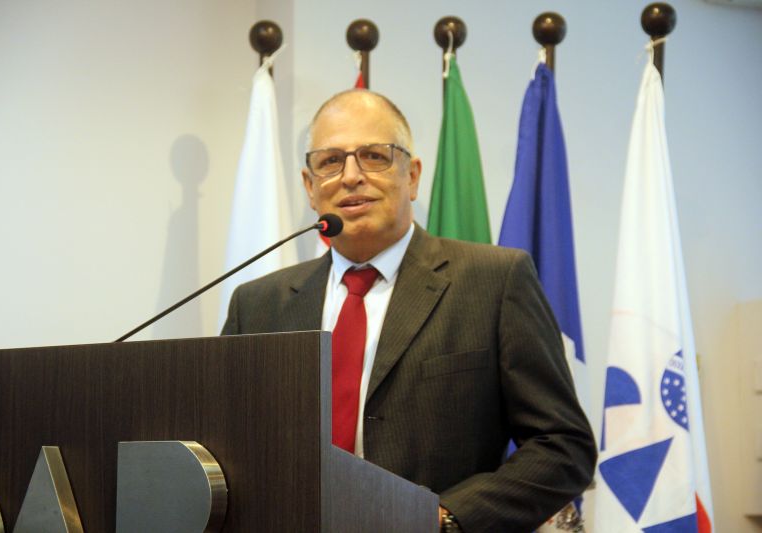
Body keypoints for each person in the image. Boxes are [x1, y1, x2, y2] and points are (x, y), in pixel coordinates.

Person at [222, 89, 596, 532]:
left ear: (413, 176)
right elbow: (229, 446)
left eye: (374, 156)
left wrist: (446, 517)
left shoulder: (494, 281)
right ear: (309, 186)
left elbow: (563, 445)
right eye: (331, 161)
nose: (351, 176)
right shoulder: (258, 304)